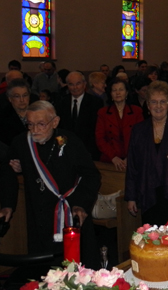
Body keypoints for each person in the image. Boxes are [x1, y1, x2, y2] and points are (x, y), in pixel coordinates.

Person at [8, 101, 101, 269]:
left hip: (71, 211)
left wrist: (81, 204)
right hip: (40, 215)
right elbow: (9, 169)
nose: (35, 130)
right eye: (30, 124)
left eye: (41, 124)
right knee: (45, 269)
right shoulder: (21, 143)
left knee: (78, 268)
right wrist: (16, 168)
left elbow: (91, 175)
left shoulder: (69, 141)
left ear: (55, 122)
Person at [125, 81, 168, 226]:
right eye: (153, 102)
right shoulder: (138, 130)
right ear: (148, 105)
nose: (158, 106)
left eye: (162, 102)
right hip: (147, 191)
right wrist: (131, 197)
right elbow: (132, 166)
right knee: (151, 239)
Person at [95, 78, 143, 170]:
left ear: (127, 93)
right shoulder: (103, 113)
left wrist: (130, 157)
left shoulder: (137, 111)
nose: (118, 93)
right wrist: (113, 157)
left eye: (121, 90)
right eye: (114, 90)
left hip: (133, 159)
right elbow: (100, 138)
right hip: (109, 160)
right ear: (110, 94)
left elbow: (141, 137)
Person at [56, 72, 103, 160]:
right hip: (67, 151)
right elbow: (59, 129)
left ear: (84, 84)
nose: (75, 87)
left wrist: (88, 152)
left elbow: (95, 130)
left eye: (78, 83)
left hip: (89, 151)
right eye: (71, 84)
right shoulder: (61, 102)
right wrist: (62, 149)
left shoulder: (95, 103)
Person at [0, 79, 31, 146]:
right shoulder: (3, 117)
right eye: (17, 96)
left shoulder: (38, 112)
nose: (22, 100)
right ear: (10, 98)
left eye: (25, 95)